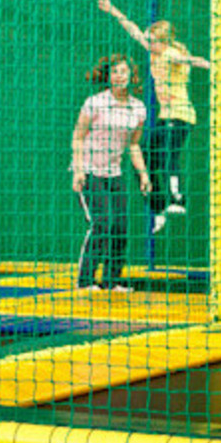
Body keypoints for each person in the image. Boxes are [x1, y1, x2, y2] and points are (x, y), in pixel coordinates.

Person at [97, 0, 210, 234]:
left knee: (170, 156)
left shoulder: (169, 54)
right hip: (165, 117)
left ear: (163, 42)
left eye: (152, 41)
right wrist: (112, 9)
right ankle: (158, 207)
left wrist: (211, 64)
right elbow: (133, 29)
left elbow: (189, 59)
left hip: (181, 116)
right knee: (144, 157)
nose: (148, 45)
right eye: (148, 41)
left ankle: (178, 200)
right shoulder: (154, 51)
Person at [71, 53, 151, 291]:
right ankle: (85, 281)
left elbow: (134, 145)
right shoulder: (94, 102)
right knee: (102, 223)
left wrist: (143, 174)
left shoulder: (138, 108)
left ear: (131, 75)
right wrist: (78, 170)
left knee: (120, 227)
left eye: (123, 71)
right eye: (115, 72)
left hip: (114, 174)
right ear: (108, 76)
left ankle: (112, 281)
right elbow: (78, 136)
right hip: (90, 171)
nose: (119, 76)